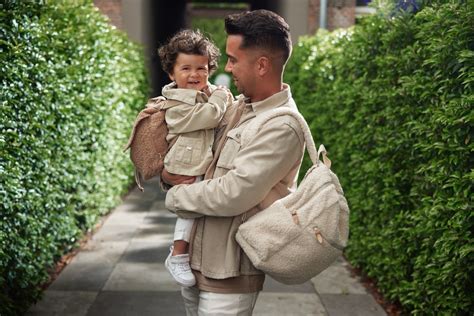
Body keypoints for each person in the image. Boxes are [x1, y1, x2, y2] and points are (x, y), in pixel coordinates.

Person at [162, 10, 305, 316]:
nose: (225, 68)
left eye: (233, 59)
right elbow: (194, 154)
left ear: (262, 65)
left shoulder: (281, 125)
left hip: (230, 273)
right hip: (195, 263)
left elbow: (233, 193)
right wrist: (167, 173)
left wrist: (174, 196)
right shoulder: (236, 105)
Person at [157, 29, 233, 287]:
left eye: (201, 69)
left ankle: (184, 253)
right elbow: (211, 115)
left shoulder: (204, 94)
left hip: (199, 159)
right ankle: (177, 253)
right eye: (186, 68)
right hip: (186, 162)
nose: (194, 75)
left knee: (198, 210)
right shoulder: (175, 104)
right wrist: (221, 95)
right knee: (190, 209)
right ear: (171, 74)